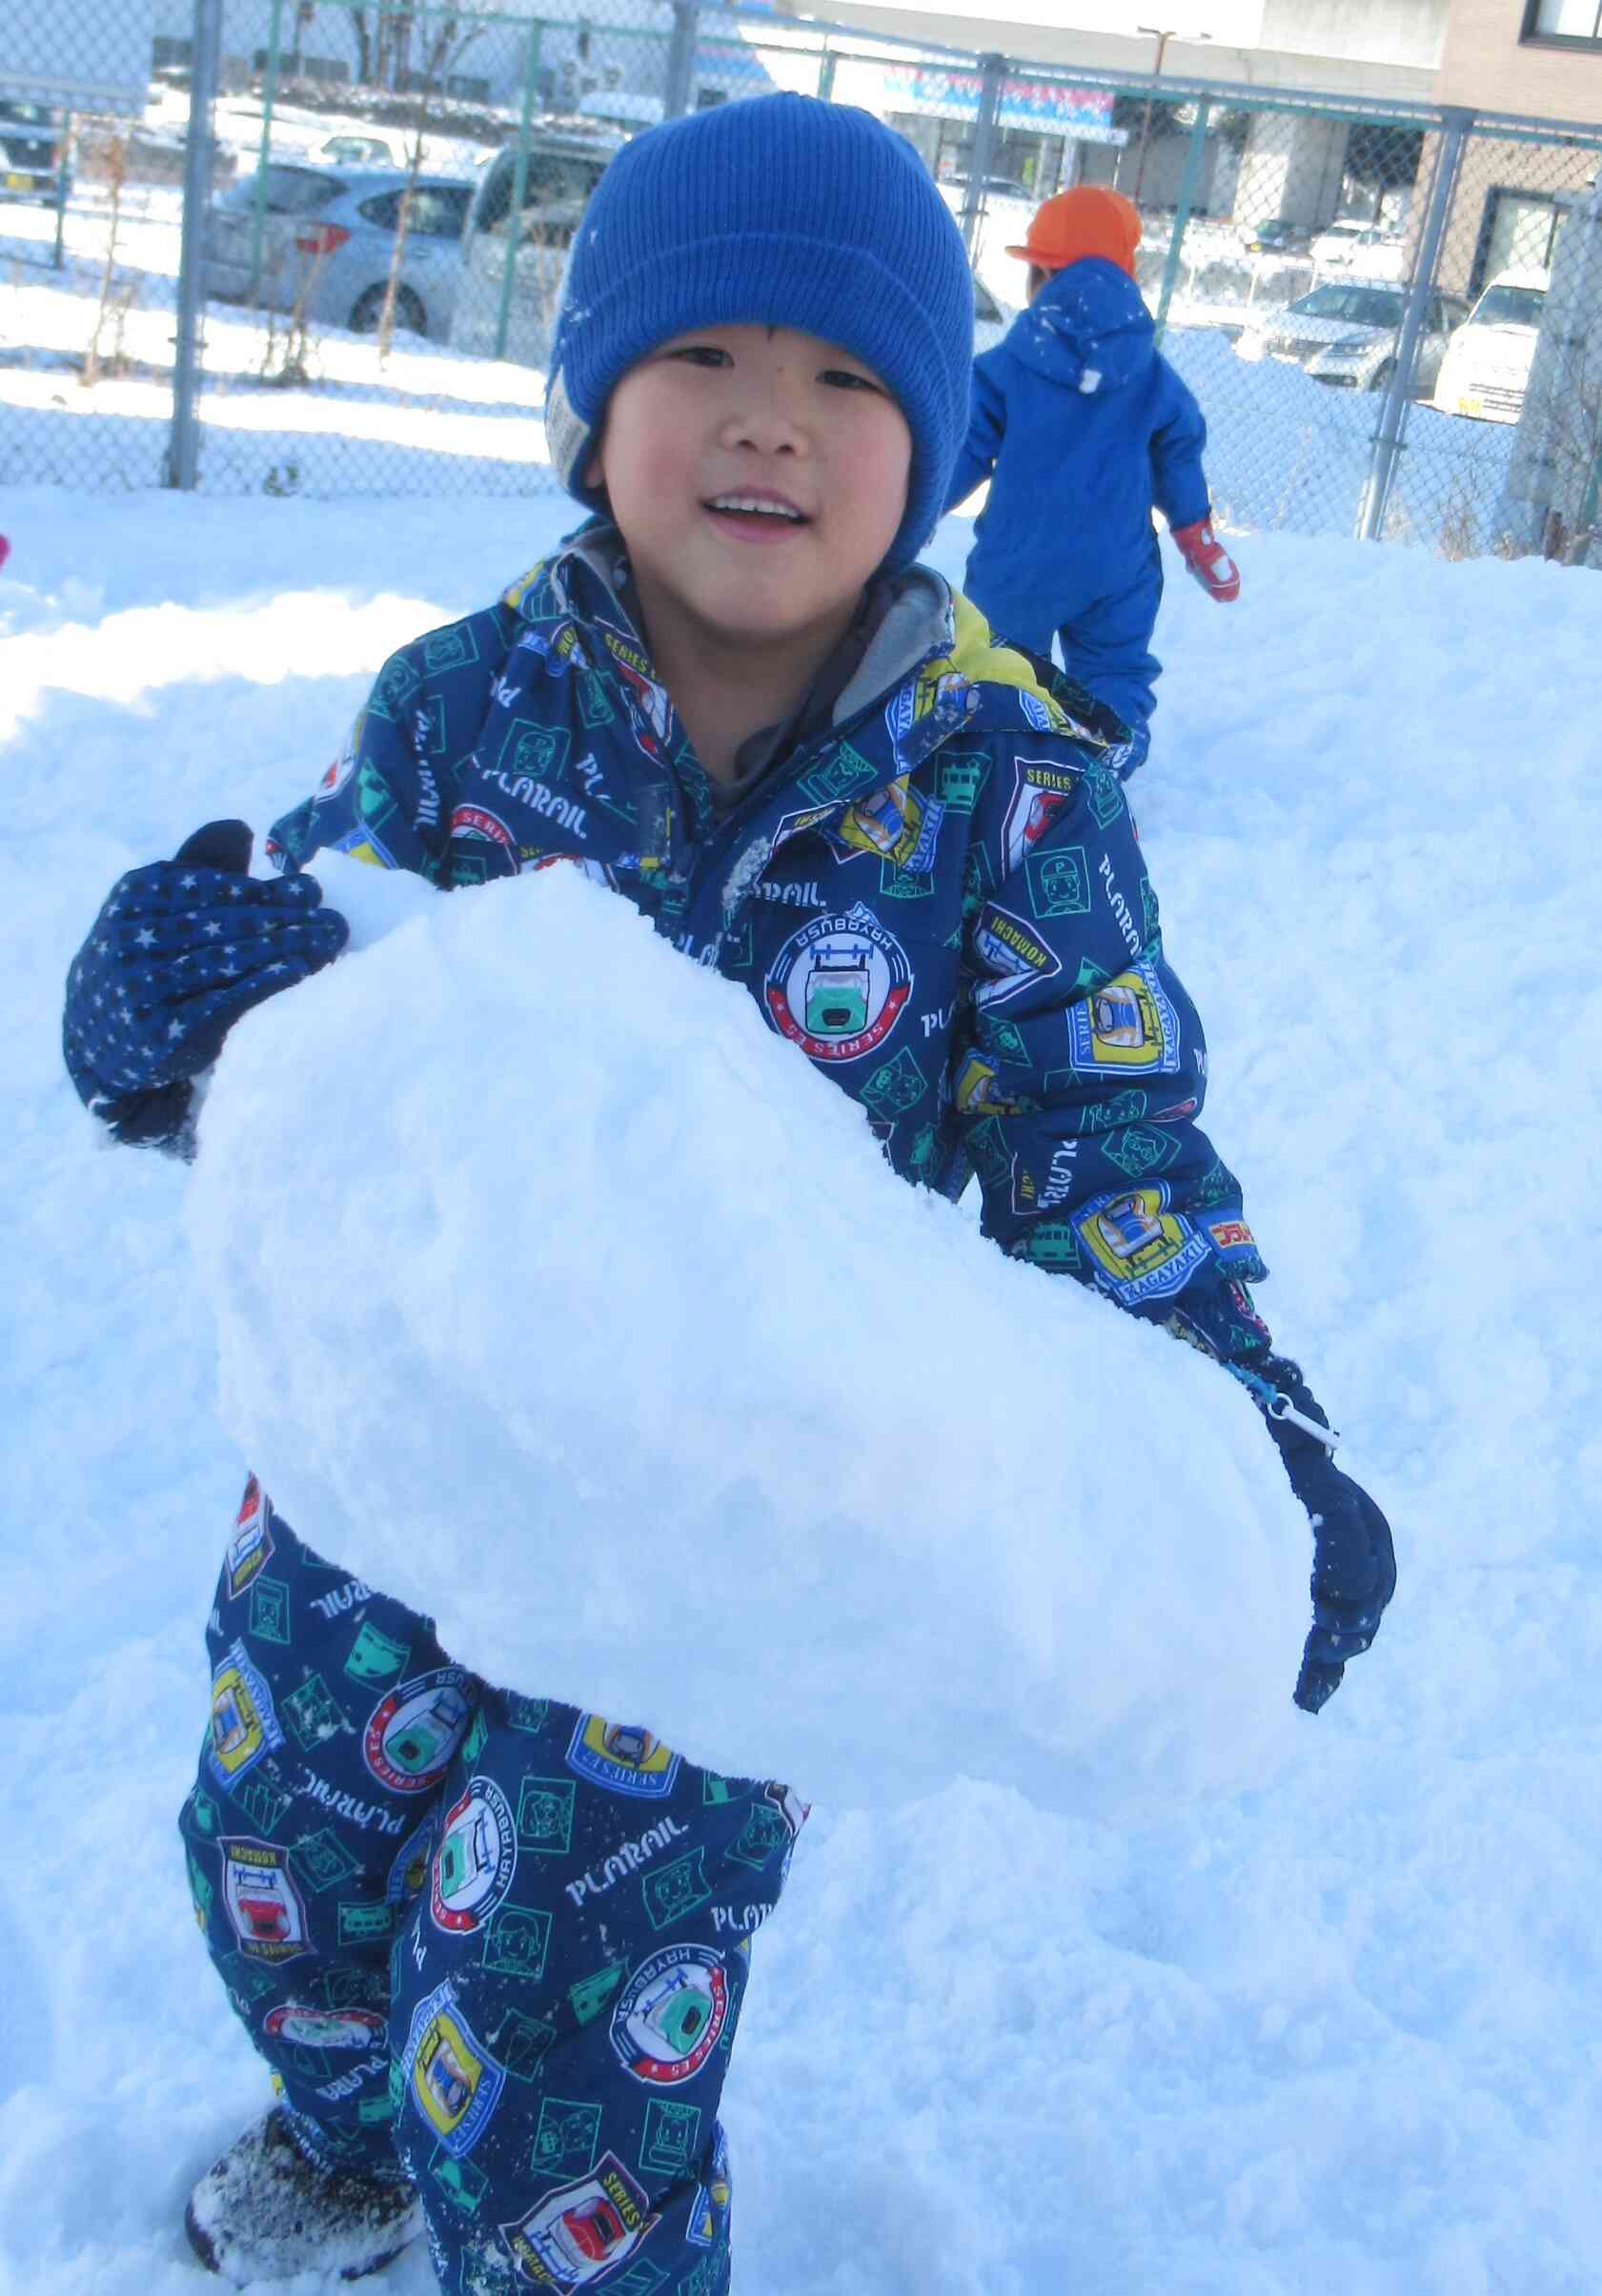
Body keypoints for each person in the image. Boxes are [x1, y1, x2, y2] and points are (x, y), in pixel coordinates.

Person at [59, 95, 1393, 2294]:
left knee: (568, 2014)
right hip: (396, 1450)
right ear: (593, 416)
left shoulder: (1005, 788)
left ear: (936, 447)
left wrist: (1239, 1428)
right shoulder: (464, 704)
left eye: (852, 376)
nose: (773, 417)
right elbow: (322, 973)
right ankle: (347, 2125)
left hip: (726, 1543)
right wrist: (184, 1011)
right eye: (707, 358)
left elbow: (1107, 1141)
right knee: (278, 1854)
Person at [946, 185, 1240, 777]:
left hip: (1019, 560)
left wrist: (914, 508)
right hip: (1117, 564)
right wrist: (1194, 532)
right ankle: (1104, 762)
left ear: (1040, 278)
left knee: (999, 660)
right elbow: (1178, 448)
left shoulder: (1012, 365)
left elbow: (966, 440)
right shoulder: (1150, 373)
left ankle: (997, 765)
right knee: (1113, 671)